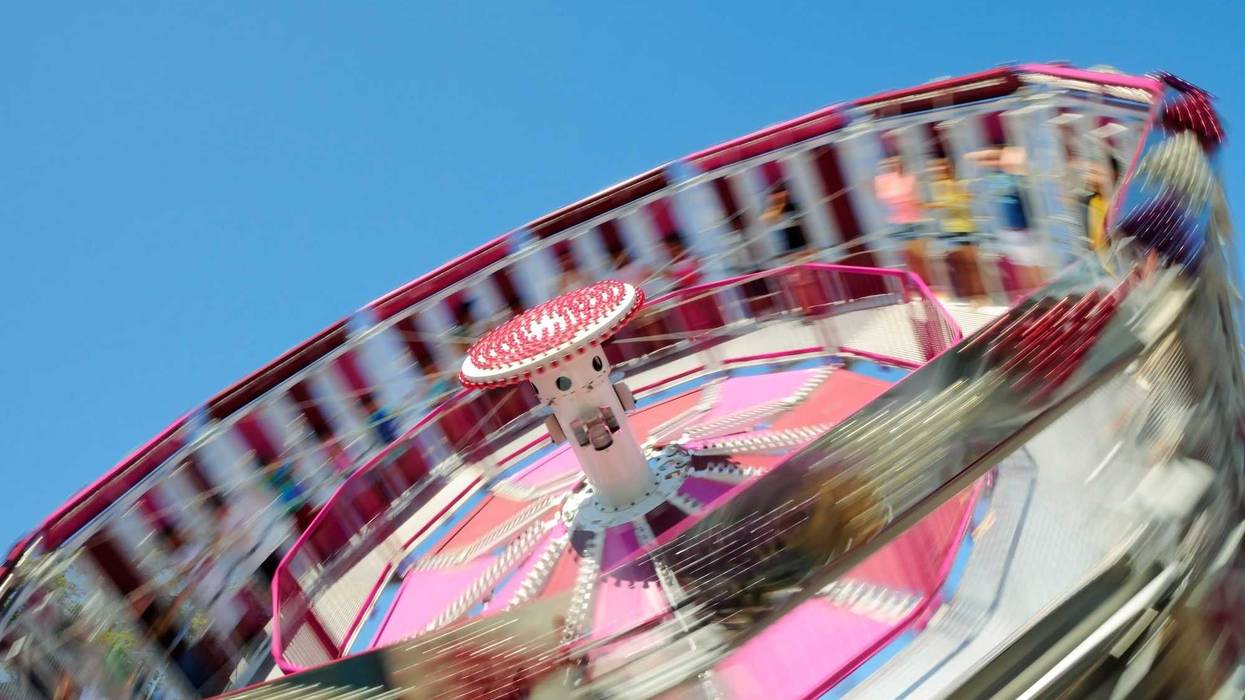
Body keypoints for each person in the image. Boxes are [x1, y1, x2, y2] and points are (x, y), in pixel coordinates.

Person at [927, 158, 985, 301]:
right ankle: (967, 295)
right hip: (948, 233)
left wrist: (937, 204)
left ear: (948, 168)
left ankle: (978, 296)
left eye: (941, 166)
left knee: (971, 266)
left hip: (964, 230)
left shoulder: (958, 185)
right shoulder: (934, 187)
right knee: (957, 267)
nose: (937, 170)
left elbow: (961, 202)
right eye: (934, 167)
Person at [874, 156, 929, 283]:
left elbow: (915, 197)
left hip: (913, 221)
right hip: (897, 222)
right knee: (907, 256)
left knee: (919, 255)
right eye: (889, 164)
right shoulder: (884, 181)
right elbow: (886, 197)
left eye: (896, 163)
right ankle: (914, 283)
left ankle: (924, 282)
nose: (893, 166)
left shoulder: (909, 179)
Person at [760, 183, 810, 262]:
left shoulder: (791, 206)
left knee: (803, 261)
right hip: (787, 247)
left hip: (799, 244)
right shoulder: (776, 208)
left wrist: (780, 202)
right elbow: (765, 219)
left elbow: (774, 217)